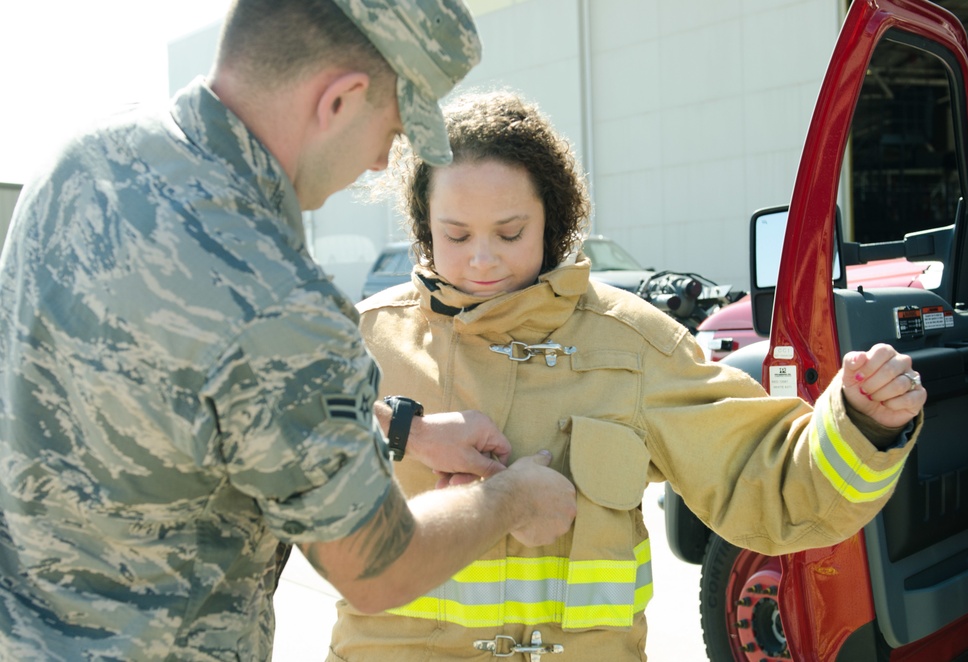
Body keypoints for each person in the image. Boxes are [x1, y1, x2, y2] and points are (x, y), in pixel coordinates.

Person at [0, 3, 578, 660]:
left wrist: (399, 430)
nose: (377, 164)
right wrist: (509, 500)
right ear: (340, 100)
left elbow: (170, 387)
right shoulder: (278, 299)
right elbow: (377, 565)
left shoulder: (85, 159)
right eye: (392, 131)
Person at [328, 90, 926, 661]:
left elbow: (763, 478)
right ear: (423, 225)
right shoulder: (361, 340)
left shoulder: (634, 343)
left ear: (553, 221)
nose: (482, 258)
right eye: (455, 235)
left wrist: (862, 426)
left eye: (510, 233)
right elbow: (260, 451)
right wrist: (400, 428)